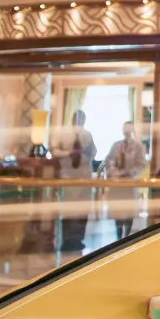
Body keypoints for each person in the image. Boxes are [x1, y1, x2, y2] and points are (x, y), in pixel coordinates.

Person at [57, 108, 97, 254]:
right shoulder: (62, 134)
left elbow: (93, 152)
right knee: (68, 209)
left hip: (84, 175)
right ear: (72, 119)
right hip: (68, 175)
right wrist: (69, 153)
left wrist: (85, 158)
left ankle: (79, 239)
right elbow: (55, 151)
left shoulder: (87, 135)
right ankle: (67, 239)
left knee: (82, 210)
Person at [101, 120, 149, 240]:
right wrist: (114, 172)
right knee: (117, 210)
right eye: (125, 128)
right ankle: (118, 236)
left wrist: (129, 173)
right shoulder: (116, 145)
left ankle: (126, 237)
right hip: (117, 183)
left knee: (129, 211)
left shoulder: (138, 147)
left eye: (129, 128)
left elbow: (141, 164)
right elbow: (108, 160)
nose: (126, 131)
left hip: (129, 183)